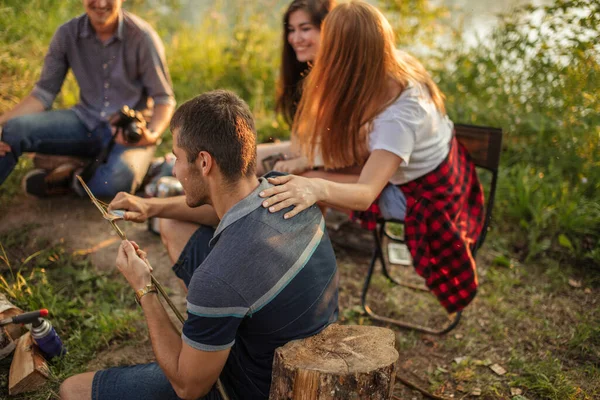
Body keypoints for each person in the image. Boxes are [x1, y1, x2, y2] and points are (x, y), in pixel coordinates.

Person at [59, 90, 339, 400]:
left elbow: (188, 387)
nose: (175, 169)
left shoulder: (219, 276)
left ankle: (205, 340)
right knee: (174, 223)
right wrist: (152, 207)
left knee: (72, 390)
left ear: (204, 162)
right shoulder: (286, 190)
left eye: (177, 158)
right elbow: (219, 211)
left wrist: (144, 288)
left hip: (255, 388)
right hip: (302, 353)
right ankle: (210, 330)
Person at [258, 1, 485, 314]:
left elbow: (366, 193)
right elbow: (364, 139)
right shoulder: (391, 65)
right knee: (307, 174)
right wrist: (308, 159)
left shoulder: (401, 116)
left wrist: (315, 185)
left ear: (345, 55)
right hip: (420, 172)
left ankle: (302, 287)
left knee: (307, 185)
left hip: (424, 197)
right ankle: (296, 270)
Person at [0, 0, 175, 197]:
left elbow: (164, 99)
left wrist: (150, 135)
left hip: (127, 133)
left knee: (115, 182)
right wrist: (0, 125)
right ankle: (112, 168)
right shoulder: (66, 34)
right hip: (84, 122)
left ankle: (73, 176)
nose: (100, 3)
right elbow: (43, 94)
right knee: (11, 131)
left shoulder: (143, 37)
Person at [256, 0, 335, 175]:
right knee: (241, 159)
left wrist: (305, 161)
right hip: (314, 160)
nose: (295, 39)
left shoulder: (342, 79)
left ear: (329, 30)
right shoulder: (307, 76)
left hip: (341, 172)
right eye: (291, 30)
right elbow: (301, 146)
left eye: (305, 29)